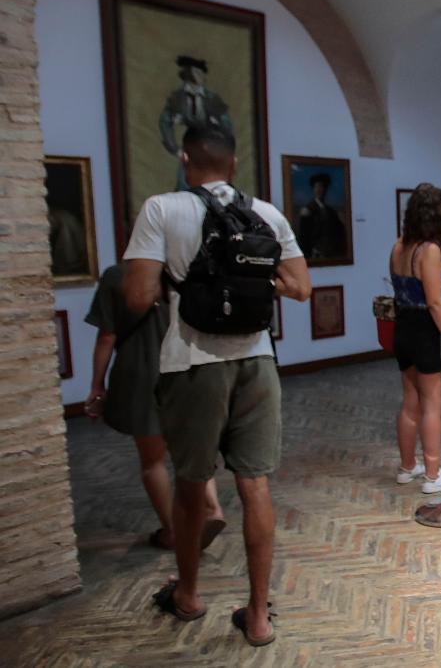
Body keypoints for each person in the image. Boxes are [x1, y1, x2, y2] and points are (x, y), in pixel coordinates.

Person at [123, 125, 310, 647]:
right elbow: (300, 288)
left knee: (190, 485)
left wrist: (180, 280)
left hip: (191, 362)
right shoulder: (268, 214)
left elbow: (138, 297)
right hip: (257, 360)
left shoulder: (161, 209)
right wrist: (249, 275)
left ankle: (187, 594)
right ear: (233, 163)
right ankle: (257, 616)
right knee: (255, 485)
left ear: (185, 159)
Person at [84, 264, 226, 552]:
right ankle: (212, 509)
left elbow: (107, 337)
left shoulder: (117, 276)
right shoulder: (182, 270)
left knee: (153, 460)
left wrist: (97, 385)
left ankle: (173, 532)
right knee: (190, 450)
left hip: (140, 372)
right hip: (185, 368)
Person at [390, 183, 441, 493]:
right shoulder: (430, 251)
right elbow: (435, 302)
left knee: (410, 401)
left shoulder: (398, 246)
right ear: (434, 215)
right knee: (432, 403)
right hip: (424, 330)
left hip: (403, 327)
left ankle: (407, 468)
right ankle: (434, 475)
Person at [158, 56, 232, 191]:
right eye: (197, 74)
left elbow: (227, 125)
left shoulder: (211, 98)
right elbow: (165, 121)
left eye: (201, 74)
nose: (201, 78)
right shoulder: (177, 97)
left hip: (211, 143)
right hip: (190, 144)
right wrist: (174, 148)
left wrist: (222, 142)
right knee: (184, 182)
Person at [296, 172, 348, 260]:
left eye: (323, 187)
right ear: (314, 189)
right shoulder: (308, 210)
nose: (320, 190)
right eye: (317, 187)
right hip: (315, 254)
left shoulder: (331, 211)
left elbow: (339, 232)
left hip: (330, 253)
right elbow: (304, 236)